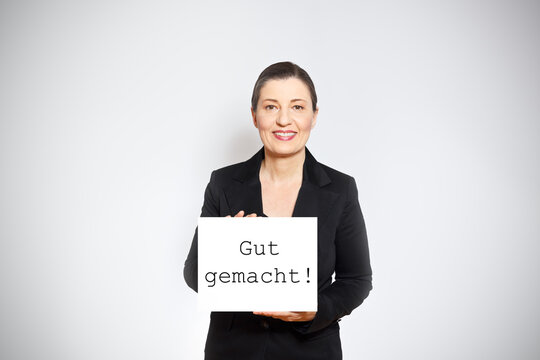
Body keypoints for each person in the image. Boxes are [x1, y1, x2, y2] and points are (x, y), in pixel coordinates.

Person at [183, 61, 373, 360]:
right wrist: (225, 248)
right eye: (271, 107)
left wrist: (315, 310)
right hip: (233, 351)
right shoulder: (223, 183)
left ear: (314, 115)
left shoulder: (341, 189)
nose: (284, 120)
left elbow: (357, 280)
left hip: (311, 350)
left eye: (297, 107)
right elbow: (194, 275)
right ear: (255, 115)